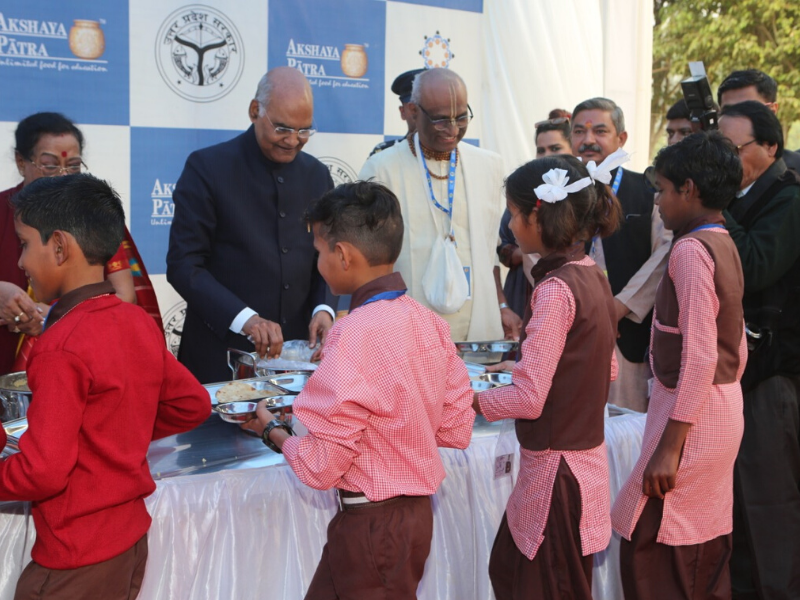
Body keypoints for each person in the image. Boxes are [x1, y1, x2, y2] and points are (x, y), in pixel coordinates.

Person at [243, 180, 475, 599]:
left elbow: (322, 465)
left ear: (343, 255)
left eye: (319, 252)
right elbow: (456, 425)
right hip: (415, 517)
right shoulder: (429, 321)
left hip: (371, 525)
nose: (318, 263)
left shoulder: (352, 332)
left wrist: (272, 431)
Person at [0, 174, 210, 599]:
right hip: (129, 543)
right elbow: (193, 404)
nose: (20, 262)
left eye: (24, 244)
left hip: (72, 562)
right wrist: (107, 433)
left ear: (59, 246)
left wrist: (93, 438)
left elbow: (41, 471)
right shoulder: (134, 321)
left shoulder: (61, 345)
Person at [474, 155, 621, 599]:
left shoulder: (555, 289)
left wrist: (470, 396)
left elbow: (530, 399)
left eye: (514, 214)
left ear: (537, 216)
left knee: (545, 586)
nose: (511, 225)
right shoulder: (592, 274)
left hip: (556, 473)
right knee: (521, 574)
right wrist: (519, 368)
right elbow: (602, 368)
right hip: (580, 465)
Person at [612, 131, 746, 600]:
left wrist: (671, 446)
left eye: (663, 189)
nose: (658, 199)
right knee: (693, 540)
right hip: (717, 409)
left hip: (692, 422)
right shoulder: (721, 238)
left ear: (688, 190)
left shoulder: (691, 252)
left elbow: (702, 356)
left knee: (661, 546)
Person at [167, 67, 335, 384]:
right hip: (220, 359)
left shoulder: (318, 175)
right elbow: (184, 265)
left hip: (299, 363)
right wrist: (246, 319)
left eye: (304, 131)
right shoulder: (206, 168)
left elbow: (324, 257)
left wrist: (323, 310)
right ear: (254, 110)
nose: (293, 141)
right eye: (283, 128)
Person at [359, 67, 518, 342]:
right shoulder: (381, 169)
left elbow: (488, 252)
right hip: (407, 330)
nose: (453, 130)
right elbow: (368, 262)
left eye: (461, 118)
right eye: (441, 120)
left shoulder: (489, 166)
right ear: (412, 111)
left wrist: (501, 304)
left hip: (477, 325)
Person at [0, 112, 160, 376]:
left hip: (79, 356)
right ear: (21, 161)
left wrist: (53, 315)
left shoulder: (94, 214)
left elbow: (124, 296)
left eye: (73, 166)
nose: (62, 177)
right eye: (49, 166)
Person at [717, 101, 800, 600]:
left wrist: (714, 204)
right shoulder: (745, 195)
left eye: (733, 148)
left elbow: (755, 266)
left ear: (770, 147)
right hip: (737, 376)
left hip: (772, 380)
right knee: (738, 508)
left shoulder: (789, 200)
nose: (723, 158)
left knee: (770, 505)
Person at [571, 97, 672, 412]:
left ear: (621, 138)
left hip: (627, 331)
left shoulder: (646, 190)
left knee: (626, 429)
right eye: (579, 132)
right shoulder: (560, 192)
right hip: (574, 330)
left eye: (600, 131)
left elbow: (664, 255)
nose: (588, 140)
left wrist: (618, 307)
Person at [498, 109, 573, 319]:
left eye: (555, 148)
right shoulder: (523, 193)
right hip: (522, 288)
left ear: (573, 149)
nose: (547, 155)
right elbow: (502, 248)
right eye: (541, 150)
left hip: (568, 286)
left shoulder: (579, 197)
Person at [717, 69, 800, 172]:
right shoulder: (708, 175)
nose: (736, 119)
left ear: (772, 110)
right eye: (728, 111)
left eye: (747, 109)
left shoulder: (795, 173)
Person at [369, 68, 425, 157]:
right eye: (414, 108)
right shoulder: (384, 155)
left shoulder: (452, 155)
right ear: (403, 112)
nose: (423, 112)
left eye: (429, 106)